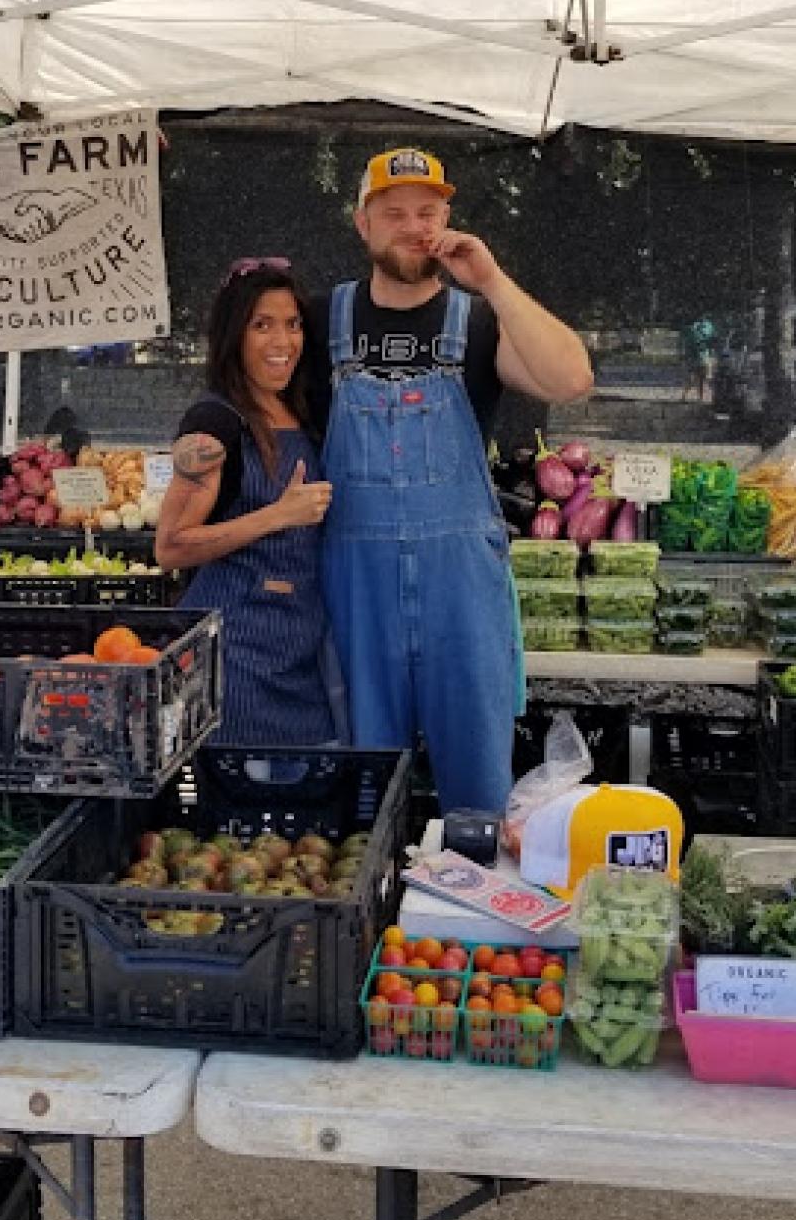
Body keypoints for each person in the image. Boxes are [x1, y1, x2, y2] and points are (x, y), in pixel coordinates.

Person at [307, 148, 593, 816]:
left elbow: (571, 379)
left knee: (479, 797)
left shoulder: (483, 320)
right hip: (355, 589)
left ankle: (475, 909)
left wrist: (491, 280)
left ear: (449, 221)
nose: (413, 226)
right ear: (363, 224)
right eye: (395, 213)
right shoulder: (322, 321)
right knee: (360, 791)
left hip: (461, 590)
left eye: (428, 213)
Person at [155, 258, 342, 746]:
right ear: (234, 335)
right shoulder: (212, 427)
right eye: (262, 326)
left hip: (300, 658)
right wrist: (279, 515)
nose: (283, 343)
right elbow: (170, 546)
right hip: (235, 662)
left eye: (293, 324)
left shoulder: (304, 414)